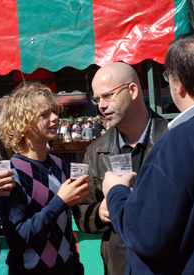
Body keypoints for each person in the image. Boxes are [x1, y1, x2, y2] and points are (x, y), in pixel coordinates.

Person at [103, 32, 194, 274]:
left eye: (167, 77)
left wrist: (116, 192)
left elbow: (146, 235)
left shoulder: (178, 144)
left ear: (178, 84)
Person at [73, 62, 168, 275]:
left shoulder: (172, 139)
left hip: (167, 264)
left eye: (107, 96)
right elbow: (81, 212)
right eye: (97, 99)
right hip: (120, 266)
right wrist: (100, 212)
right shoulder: (96, 152)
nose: (101, 105)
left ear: (133, 90)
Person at [0, 82, 89, 274]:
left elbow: (65, 229)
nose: (55, 118)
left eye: (54, 112)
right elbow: (17, 240)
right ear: (23, 123)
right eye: (45, 114)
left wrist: (76, 266)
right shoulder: (11, 173)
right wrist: (61, 201)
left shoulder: (59, 165)